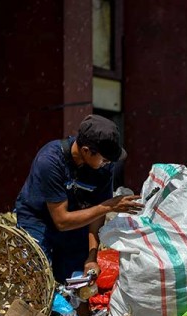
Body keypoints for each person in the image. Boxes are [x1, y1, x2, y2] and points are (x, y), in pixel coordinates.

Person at [15, 114, 142, 282]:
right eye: (104, 159)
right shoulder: (50, 161)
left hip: (76, 221)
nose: (108, 163)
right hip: (39, 220)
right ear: (86, 151)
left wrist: (91, 258)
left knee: (78, 282)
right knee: (37, 277)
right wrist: (108, 206)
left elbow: (96, 216)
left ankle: (70, 307)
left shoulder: (104, 168)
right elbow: (62, 221)